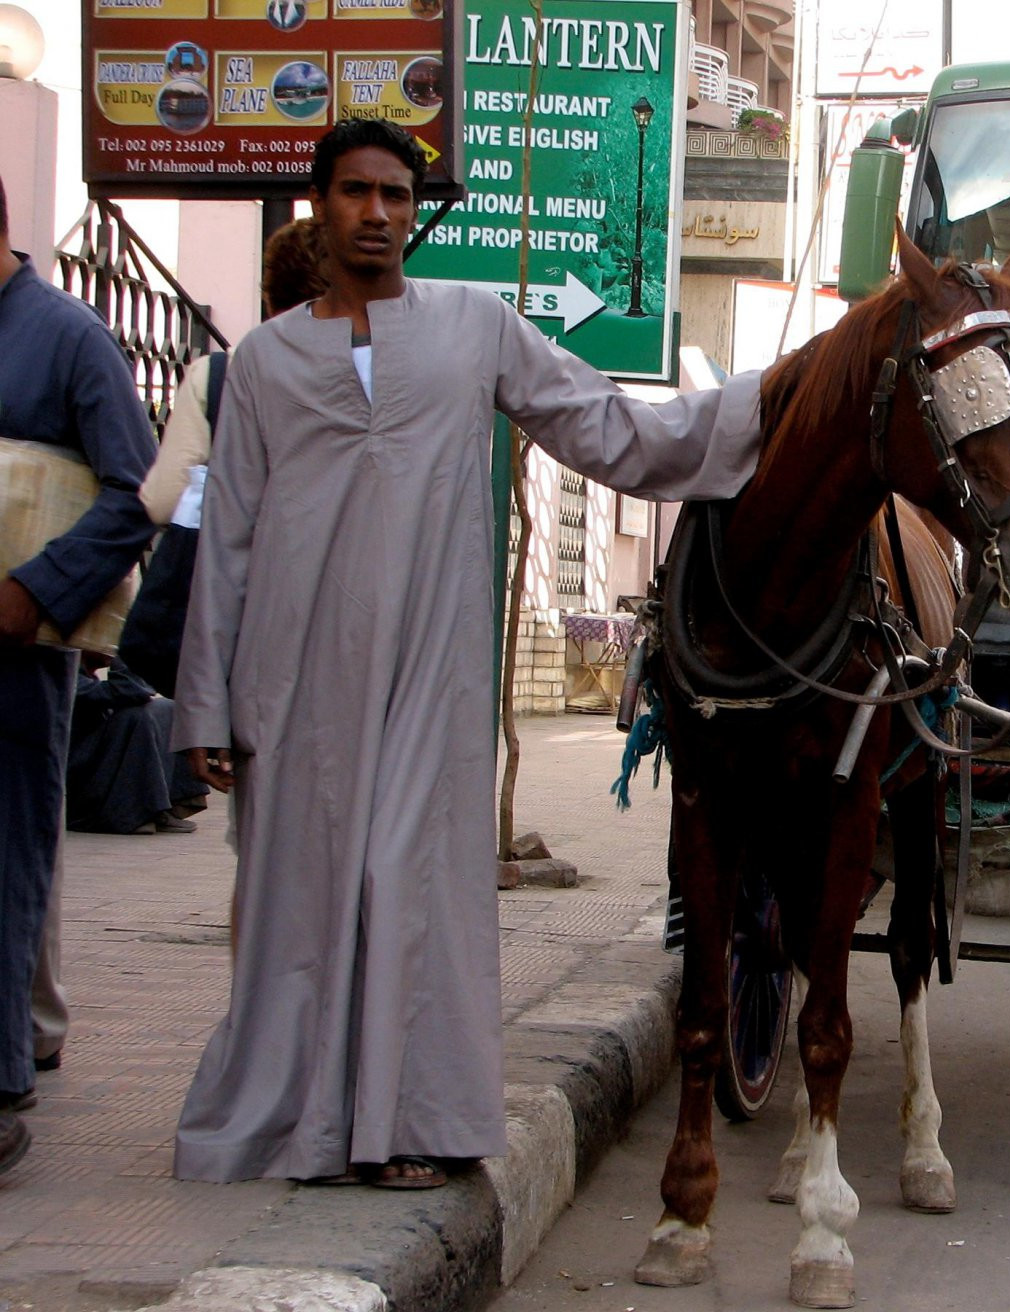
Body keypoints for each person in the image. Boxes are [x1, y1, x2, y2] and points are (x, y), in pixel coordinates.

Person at [170, 119, 765, 1188]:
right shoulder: (259, 364)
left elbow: (604, 426)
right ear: (319, 205)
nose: (379, 216)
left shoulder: (472, 327)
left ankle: (408, 1127)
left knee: (411, 884)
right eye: (357, 193)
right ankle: (293, 1122)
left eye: (397, 197)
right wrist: (206, 707)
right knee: (298, 903)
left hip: (427, 679)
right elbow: (230, 539)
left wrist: (764, 405)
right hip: (291, 683)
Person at [0, 175, 158, 1173]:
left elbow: (141, 483)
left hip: (14, 648)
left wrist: (41, 590)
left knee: (9, 855)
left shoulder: (67, 337)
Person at [125, 217, 328, 697]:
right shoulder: (366, 384)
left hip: (223, 632)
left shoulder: (217, 377)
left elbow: (160, 501)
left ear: (268, 296)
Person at [65, 656, 208, 835]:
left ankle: (160, 807)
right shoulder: (60, 668)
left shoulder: (83, 673)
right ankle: (132, 811)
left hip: (94, 759)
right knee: (135, 716)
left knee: (167, 708)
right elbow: (128, 691)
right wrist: (123, 654)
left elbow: (134, 691)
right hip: (75, 776)